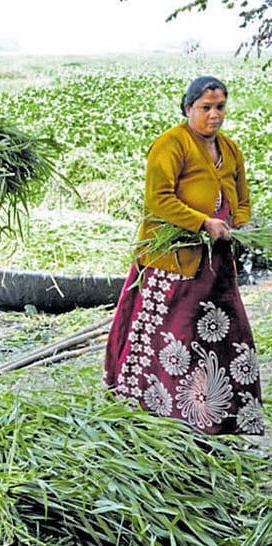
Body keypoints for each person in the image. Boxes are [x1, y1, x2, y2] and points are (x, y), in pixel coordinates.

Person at [104, 76, 264, 435]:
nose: (214, 115)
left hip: (217, 262)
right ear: (188, 108)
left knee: (227, 332)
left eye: (220, 107)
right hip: (174, 261)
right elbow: (158, 200)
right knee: (173, 335)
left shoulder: (230, 148)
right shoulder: (170, 145)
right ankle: (159, 416)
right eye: (205, 108)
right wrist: (202, 222)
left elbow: (241, 195)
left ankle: (219, 418)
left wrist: (240, 223)